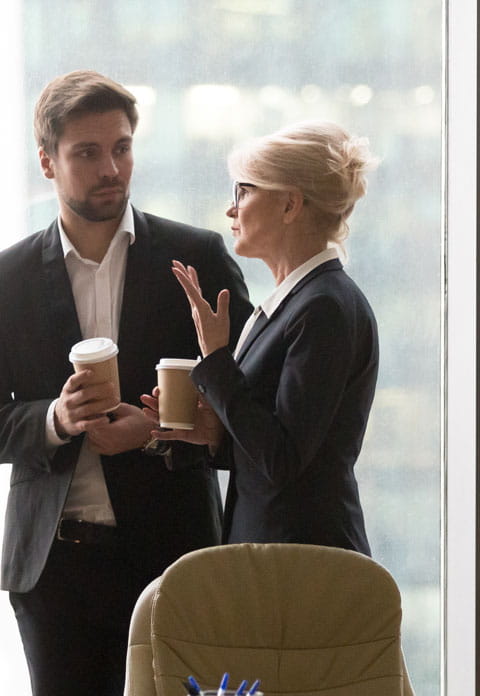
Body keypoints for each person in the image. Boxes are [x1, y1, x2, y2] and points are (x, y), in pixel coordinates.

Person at [0, 70, 251, 696]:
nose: (111, 167)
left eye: (122, 147)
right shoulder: (8, 279)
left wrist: (157, 432)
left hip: (173, 559)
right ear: (47, 163)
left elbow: (248, 412)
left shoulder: (196, 258)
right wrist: (54, 419)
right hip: (53, 570)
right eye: (87, 152)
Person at [143, 121, 378, 555]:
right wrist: (214, 434)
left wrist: (215, 358)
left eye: (244, 191)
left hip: (304, 564)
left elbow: (282, 459)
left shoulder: (323, 306)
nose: (232, 209)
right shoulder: (299, 301)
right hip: (279, 559)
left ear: (290, 204)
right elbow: (279, 447)